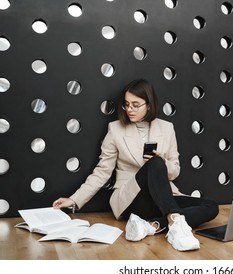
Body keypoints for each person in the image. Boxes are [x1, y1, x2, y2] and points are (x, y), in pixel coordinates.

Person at [52, 79, 219, 251]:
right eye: (127, 105)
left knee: (211, 207)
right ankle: (175, 225)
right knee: (155, 163)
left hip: (162, 197)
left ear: (148, 105)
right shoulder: (115, 129)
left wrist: (162, 161)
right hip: (132, 199)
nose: (130, 110)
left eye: (135, 105)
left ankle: (152, 226)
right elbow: (102, 171)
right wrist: (74, 200)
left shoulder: (167, 128)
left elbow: (175, 171)